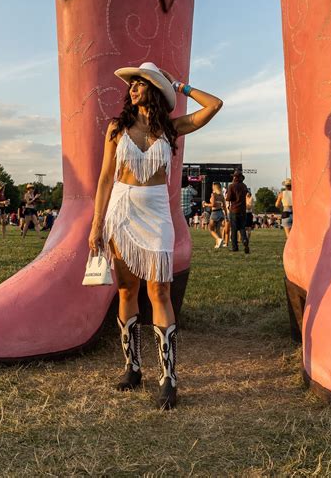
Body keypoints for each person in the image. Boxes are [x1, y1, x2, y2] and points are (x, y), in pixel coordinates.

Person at [88, 61, 223, 409]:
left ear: (154, 89)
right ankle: (132, 367)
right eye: (131, 84)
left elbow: (214, 105)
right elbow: (105, 178)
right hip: (122, 209)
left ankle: (169, 377)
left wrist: (178, 86)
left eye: (140, 82)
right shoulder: (117, 128)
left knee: (160, 290)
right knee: (125, 288)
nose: (132, 88)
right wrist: (96, 224)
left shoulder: (171, 129)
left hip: (156, 211)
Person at [226, 169, 250, 253]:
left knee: (234, 229)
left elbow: (228, 198)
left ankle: (235, 247)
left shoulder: (231, 186)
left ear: (234, 177)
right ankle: (244, 240)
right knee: (242, 227)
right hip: (243, 210)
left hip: (234, 209)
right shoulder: (244, 186)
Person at [210, 182, 229, 250]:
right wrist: (226, 216)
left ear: (214, 187)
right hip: (221, 213)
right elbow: (224, 206)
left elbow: (213, 204)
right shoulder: (221, 195)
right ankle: (218, 244)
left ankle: (218, 239)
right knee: (218, 229)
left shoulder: (213, 194)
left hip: (214, 212)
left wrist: (205, 204)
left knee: (211, 229)